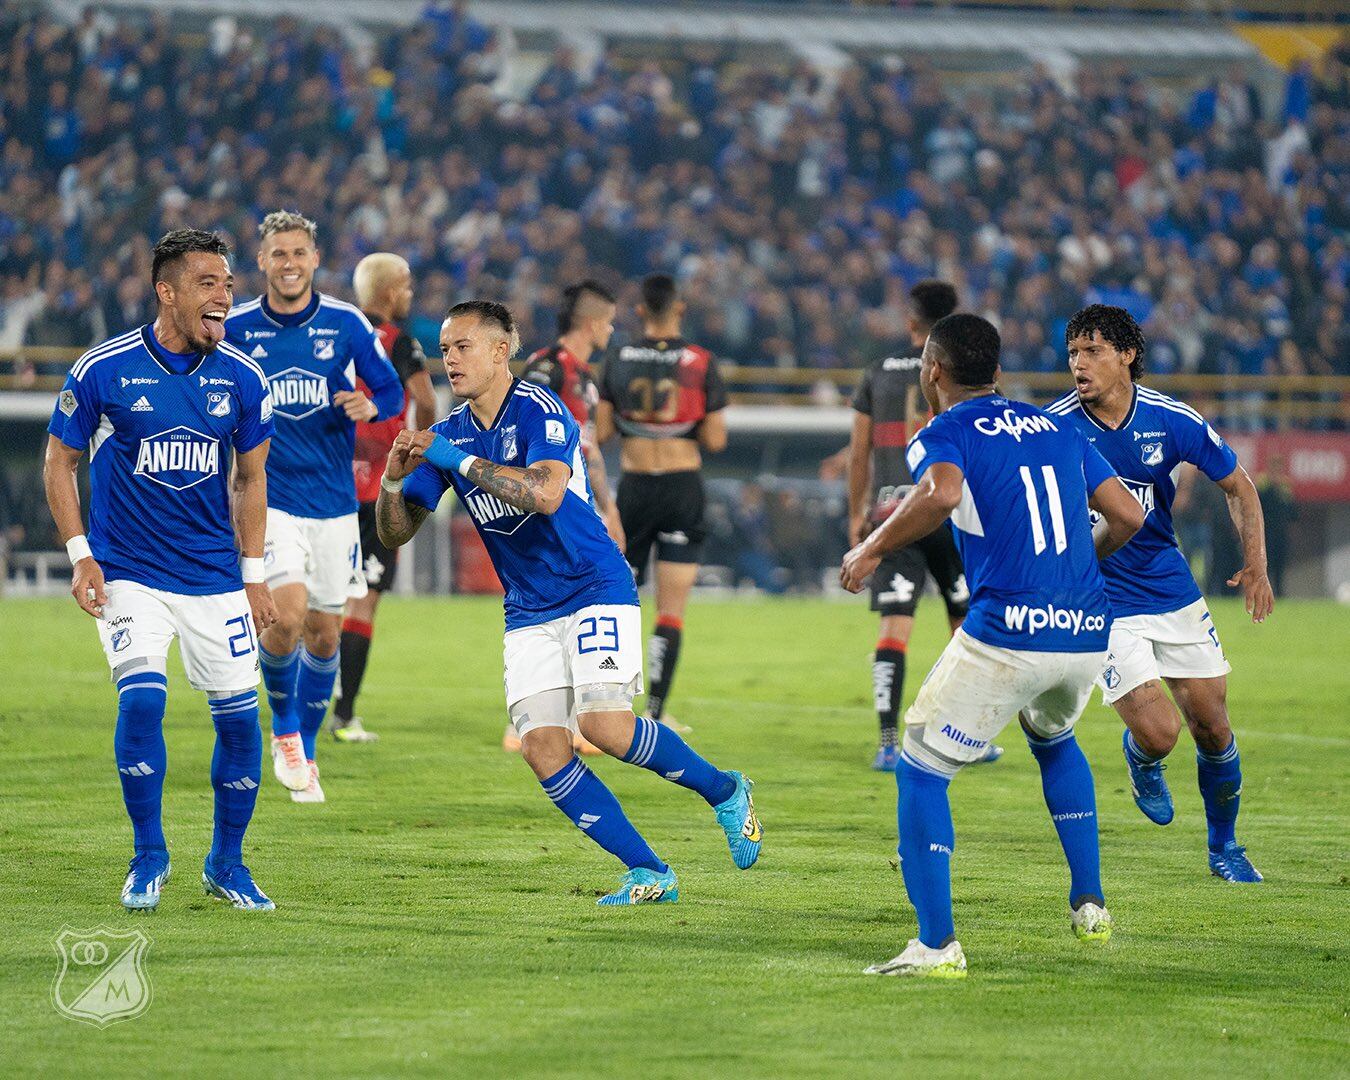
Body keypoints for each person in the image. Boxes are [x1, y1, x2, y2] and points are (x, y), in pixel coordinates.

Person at [375, 300, 762, 905]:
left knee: (605, 727)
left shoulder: (538, 408)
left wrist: (458, 462)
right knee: (542, 748)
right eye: (445, 349)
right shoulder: (448, 433)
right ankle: (649, 872)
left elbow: (546, 494)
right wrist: (393, 480)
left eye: (462, 347)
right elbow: (395, 533)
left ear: (500, 351)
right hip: (528, 608)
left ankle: (725, 790)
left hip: (591, 584)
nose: (449, 359)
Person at [840, 313, 1145, 977]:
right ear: (998, 372)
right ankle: (1090, 903)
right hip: (1085, 628)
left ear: (933, 372)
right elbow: (1128, 514)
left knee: (920, 768)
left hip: (1011, 628)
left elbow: (940, 493)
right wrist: (1079, 567)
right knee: (1054, 739)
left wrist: (870, 548)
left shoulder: (942, 430)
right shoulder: (1059, 427)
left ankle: (936, 945)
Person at [43, 228, 280, 911]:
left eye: (228, 284)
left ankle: (226, 864)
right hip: (129, 572)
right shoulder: (104, 368)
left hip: (214, 577)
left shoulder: (243, 377)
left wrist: (254, 573)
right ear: (166, 292)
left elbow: (252, 478)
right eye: (208, 284)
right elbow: (59, 461)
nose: (224, 297)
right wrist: (81, 555)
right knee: (143, 699)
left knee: (241, 724)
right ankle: (149, 855)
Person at [1048, 304, 1273, 883]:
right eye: (1072, 353)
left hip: (1168, 582)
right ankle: (1142, 755)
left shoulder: (1169, 418)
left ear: (1127, 355)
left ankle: (1225, 848)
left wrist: (1256, 565)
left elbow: (1239, 486)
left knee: (1214, 727)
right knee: (1160, 732)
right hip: (1100, 594)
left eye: (1093, 351)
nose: (1079, 364)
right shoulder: (1056, 427)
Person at [224, 211, 403, 803]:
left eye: (299, 253)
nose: (289, 264)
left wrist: (370, 407)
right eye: (279, 253)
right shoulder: (237, 327)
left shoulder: (346, 323)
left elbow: (392, 390)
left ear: (315, 259)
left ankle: (306, 749)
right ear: (262, 261)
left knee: (325, 635)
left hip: (334, 505)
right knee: (286, 617)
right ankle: (284, 732)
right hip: (271, 499)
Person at [846, 280, 997, 771]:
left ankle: (889, 742)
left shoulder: (877, 373)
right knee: (966, 626)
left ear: (911, 321)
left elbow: (860, 453)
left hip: (895, 514)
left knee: (894, 627)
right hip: (954, 515)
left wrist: (857, 515)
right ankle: (967, 737)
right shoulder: (965, 373)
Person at [594, 273, 727, 731]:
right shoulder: (700, 361)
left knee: (618, 601)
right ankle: (654, 710)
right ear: (680, 308)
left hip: (634, 488)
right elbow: (716, 439)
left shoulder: (618, 357)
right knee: (670, 609)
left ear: (640, 311)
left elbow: (602, 431)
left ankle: (610, 702)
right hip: (681, 487)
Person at [509, 278, 624, 754]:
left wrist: (608, 508)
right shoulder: (546, 368)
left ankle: (573, 721)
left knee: (578, 605)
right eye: (609, 322)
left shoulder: (586, 379)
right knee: (544, 608)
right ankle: (524, 723)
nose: (611, 330)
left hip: (579, 509)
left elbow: (590, 451)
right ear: (593, 323)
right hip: (545, 509)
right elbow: (517, 435)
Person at [330, 253, 437, 742]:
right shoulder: (398, 341)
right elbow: (427, 399)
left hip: (329, 485)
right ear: (392, 293)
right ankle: (344, 716)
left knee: (316, 602)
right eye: (407, 286)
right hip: (376, 490)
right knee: (362, 603)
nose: (410, 295)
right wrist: (416, 449)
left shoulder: (335, 333)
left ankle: (298, 704)